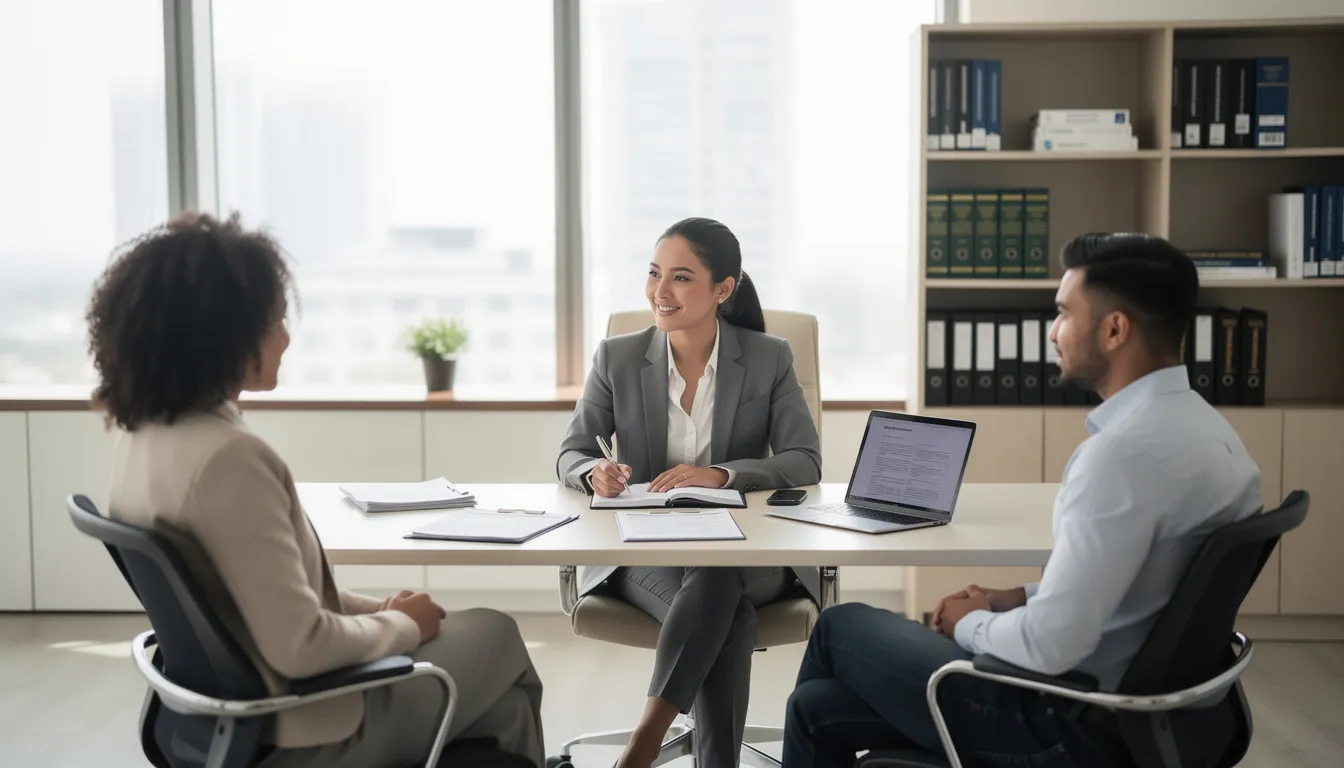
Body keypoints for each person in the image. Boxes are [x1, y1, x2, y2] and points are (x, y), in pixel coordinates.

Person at [782, 233, 1263, 768]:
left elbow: (1049, 646)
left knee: (839, 624)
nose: (1053, 332)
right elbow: (1139, 581)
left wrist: (967, 621)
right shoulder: (1217, 437)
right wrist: (1018, 594)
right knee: (813, 708)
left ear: (1114, 329)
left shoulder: (1120, 456)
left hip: (1064, 724)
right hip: (1149, 717)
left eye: (1062, 313)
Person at [89, 212, 545, 768]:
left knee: (506, 714)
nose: (286, 337)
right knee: (496, 633)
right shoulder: (230, 460)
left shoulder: (144, 437)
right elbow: (300, 645)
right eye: (275, 321)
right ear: (222, 335)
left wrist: (376, 609)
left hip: (221, 722)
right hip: (307, 730)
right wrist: (402, 625)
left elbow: (252, 596)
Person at [557, 217, 822, 768]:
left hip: (751, 553)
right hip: (645, 555)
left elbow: (805, 460)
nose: (660, 291)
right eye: (654, 274)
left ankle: (644, 742)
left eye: (681, 278)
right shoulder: (618, 357)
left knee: (719, 571)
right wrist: (592, 474)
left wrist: (722, 474)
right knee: (730, 611)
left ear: (723, 289)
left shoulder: (769, 357)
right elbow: (572, 453)